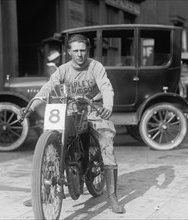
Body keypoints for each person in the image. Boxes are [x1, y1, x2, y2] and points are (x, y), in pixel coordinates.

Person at [22, 34, 124, 213]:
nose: (80, 54)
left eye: (83, 50)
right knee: (56, 140)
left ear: (88, 50)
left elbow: (106, 86)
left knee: (107, 142)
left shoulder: (95, 66)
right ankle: (44, 191)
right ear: (69, 52)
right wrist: (31, 106)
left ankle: (112, 197)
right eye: (75, 51)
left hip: (94, 108)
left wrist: (107, 106)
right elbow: (48, 88)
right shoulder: (63, 70)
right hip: (70, 109)